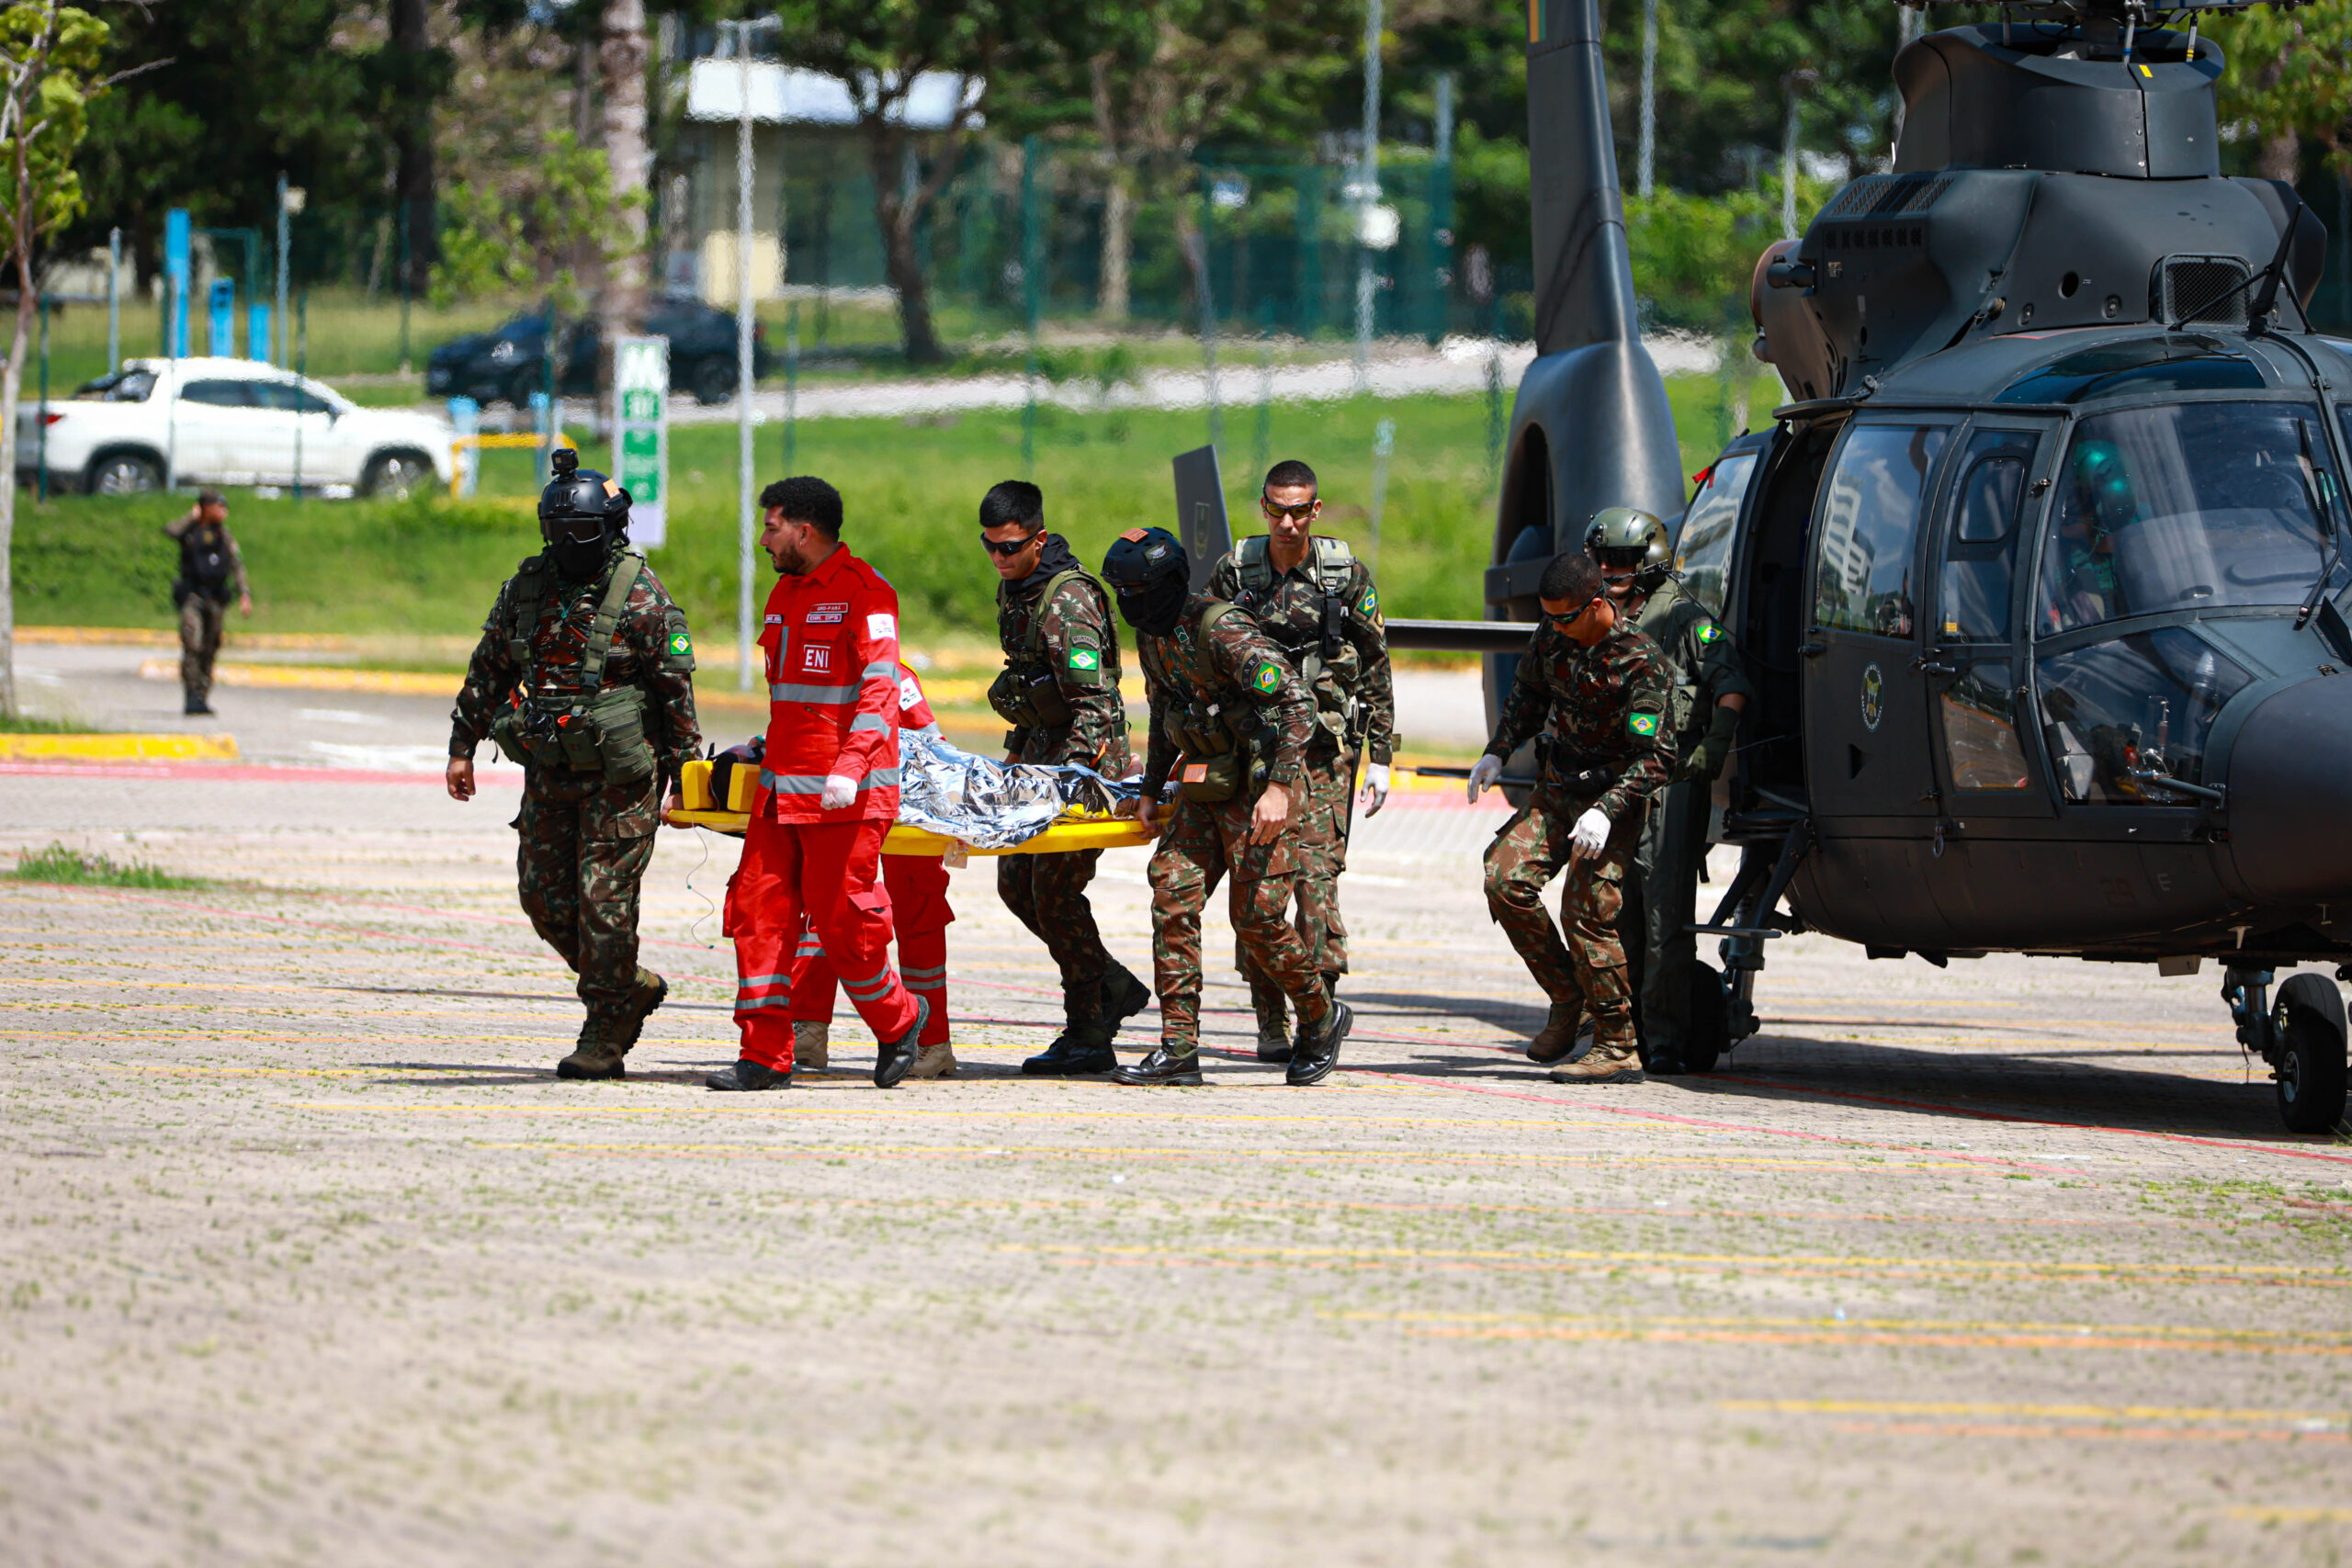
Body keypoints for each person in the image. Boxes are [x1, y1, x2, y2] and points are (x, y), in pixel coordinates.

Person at [447, 449, 700, 1079]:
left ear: (608, 530)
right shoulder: (528, 587)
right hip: (551, 773)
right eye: (557, 531)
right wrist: (462, 744)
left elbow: (676, 694)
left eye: (580, 532)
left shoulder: (640, 596)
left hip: (624, 778)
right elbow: (490, 667)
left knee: (603, 904)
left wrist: (687, 779)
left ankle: (604, 1030)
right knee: (544, 899)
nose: (567, 543)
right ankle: (630, 985)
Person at [1105, 525, 1351, 1087]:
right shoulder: (1153, 635)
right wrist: (1148, 791)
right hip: (1206, 786)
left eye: (1136, 592)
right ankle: (1179, 1047)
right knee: (1171, 893)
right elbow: (1166, 715)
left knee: (1257, 920)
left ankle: (1320, 1016)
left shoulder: (1224, 631)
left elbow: (1297, 704)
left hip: (1261, 787)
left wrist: (1281, 791)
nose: (1128, 605)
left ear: (1165, 585)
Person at [708, 476, 929, 1092]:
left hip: (845, 795)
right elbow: (796, 704)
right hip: (782, 789)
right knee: (757, 913)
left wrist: (851, 765)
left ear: (804, 529)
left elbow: (881, 690)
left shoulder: (867, 595)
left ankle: (899, 1019)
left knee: (842, 925)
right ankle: (763, 1056)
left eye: (772, 525)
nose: (763, 538)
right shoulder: (787, 593)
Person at [1206, 458, 1395, 1062]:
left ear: (1316, 510)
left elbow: (1376, 665)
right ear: (1264, 507)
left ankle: (1319, 1014)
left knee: (1317, 887)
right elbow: (1204, 648)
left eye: (1299, 510)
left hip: (1323, 757)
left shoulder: (1343, 576)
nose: (1287, 521)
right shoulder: (1236, 573)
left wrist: (1384, 757)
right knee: (1261, 889)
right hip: (1254, 757)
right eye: (1277, 509)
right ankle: (1268, 1014)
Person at [1471, 549, 1671, 1085]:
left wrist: (1606, 812)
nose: (1555, 627)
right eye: (1549, 617)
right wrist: (1498, 749)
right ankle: (1568, 998)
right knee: (1504, 879)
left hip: (1614, 799)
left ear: (1598, 603)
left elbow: (1657, 757)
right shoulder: (1553, 633)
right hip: (1559, 788)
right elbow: (1529, 694)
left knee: (1585, 914)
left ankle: (1618, 1044)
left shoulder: (1641, 660)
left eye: (1565, 617)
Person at [979, 479, 1150, 1077]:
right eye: (991, 547)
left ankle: (1089, 1031)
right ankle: (1111, 984)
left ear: (1039, 538)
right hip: (1039, 759)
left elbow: (1094, 708)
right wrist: (1015, 766)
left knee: (1053, 892)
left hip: (1084, 768)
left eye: (1011, 546)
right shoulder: (1016, 587)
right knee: (1013, 882)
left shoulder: (1067, 599)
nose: (1000, 558)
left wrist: (1064, 781)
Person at [1586, 507, 1752, 1074]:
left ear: (1649, 560)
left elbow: (1730, 684)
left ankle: (1664, 1038)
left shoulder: (1682, 618)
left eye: (1624, 560)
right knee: (1611, 916)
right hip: (1610, 790)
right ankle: (1618, 1030)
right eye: (1604, 558)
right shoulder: (1594, 618)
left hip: (1669, 788)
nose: (1612, 568)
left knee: (1664, 921)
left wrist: (1717, 743)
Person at [789, 658, 956, 1079]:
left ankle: (932, 1044)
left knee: (917, 911)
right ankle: (808, 1030)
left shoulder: (894, 674)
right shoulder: (810, 667)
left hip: (904, 807)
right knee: (829, 910)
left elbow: (929, 743)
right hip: (840, 807)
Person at [164, 488, 252, 716]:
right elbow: (171, 531)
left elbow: (237, 566)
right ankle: (191, 696)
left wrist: (245, 593)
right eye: (217, 506)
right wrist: (191, 517)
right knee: (192, 644)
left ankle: (202, 697)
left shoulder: (224, 535)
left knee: (210, 648)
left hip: (216, 599)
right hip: (193, 597)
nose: (223, 511)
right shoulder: (190, 532)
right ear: (204, 508)